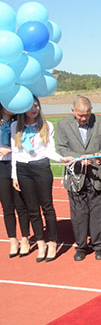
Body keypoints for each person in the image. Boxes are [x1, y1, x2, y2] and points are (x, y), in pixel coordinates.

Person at [11, 97, 71, 262]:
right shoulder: (15, 126)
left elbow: (49, 150)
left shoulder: (46, 126)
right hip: (23, 170)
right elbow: (15, 153)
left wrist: (61, 159)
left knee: (47, 207)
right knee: (32, 209)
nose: (34, 109)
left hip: (41, 168)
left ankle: (52, 243)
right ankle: (40, 242)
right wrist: (14, 175)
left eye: (36, 105)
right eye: (30, 106)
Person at [55, 96, 101, 261]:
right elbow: (62, 149)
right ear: (73, 111)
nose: (84, 118)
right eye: (80, 115)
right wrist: (80, 158)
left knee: (98, 213)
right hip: (76, 175)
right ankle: (81, 246)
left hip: (97, 174)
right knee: (78, 214)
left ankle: (99, 245)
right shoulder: (63, 125)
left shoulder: (100, 123)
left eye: (87, 114)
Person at [0, 105, 30, 258]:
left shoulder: (21, 121)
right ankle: (13, 239)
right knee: (7, 206)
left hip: (17, 164)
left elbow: (28, 143)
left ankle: (25, 238)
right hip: (1, 167)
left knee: (21, 205)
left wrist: (10, 150)